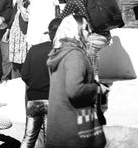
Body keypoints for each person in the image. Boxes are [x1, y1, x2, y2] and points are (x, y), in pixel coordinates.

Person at [46, 15, 108, 148]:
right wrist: (97, 88)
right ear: (75, 30)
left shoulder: (60, 52)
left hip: (61, 127)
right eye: (86, 29)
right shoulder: (75, 56)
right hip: (74, 131)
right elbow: (75, 90)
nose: (89, 33)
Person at [57, 0, 111, 81]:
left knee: (92, 71)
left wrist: (56, 5)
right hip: (106, 35)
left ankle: (94, 85)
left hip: (94, 38)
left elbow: (59, 20)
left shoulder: (73, 1)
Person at [20, 18, 62, 148]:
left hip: (34, 100)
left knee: (29, 138)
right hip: (53, 101)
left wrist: (35, 84)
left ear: (49, 33)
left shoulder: (34, 50)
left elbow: (25, 74)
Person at [4, 0, 32, 79]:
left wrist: (21, 6)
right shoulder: (17, 1)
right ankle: (15, 80)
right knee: (15, 61)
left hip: (23, 36)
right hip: (15, 35)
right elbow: (13, 16)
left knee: (24, 59)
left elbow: (27, 18)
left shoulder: (30, 3)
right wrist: (8, 30)